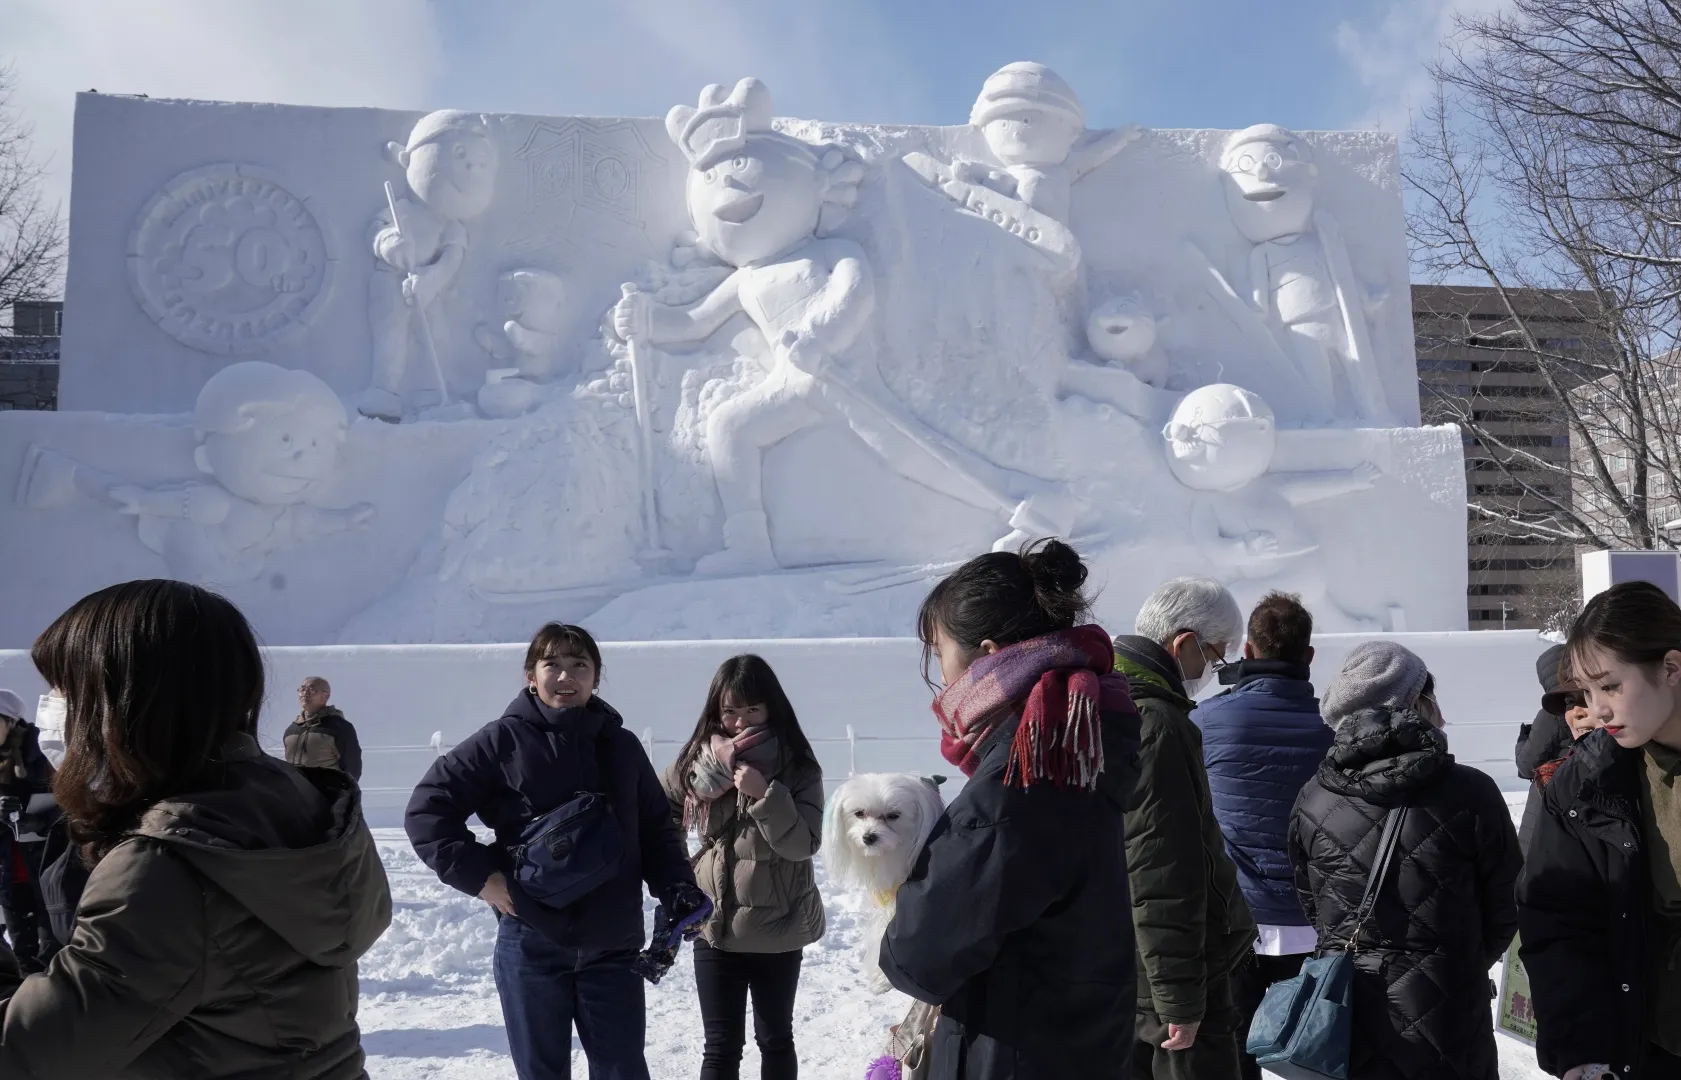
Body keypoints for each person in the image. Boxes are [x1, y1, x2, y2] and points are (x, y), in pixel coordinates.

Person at [0, 579, 392, 1077]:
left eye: (62, 691)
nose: (52, 713)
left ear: (127, 699)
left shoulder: (168, 867)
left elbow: (31, 1053)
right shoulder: (297, 800)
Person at [879, 539, 1142, 1079]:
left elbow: (920, 952)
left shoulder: (1031, 766)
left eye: (941, 652)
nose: (941, 676)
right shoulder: (1082, 735)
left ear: (990, 653)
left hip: (1014, 1055)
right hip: (1079, 1045)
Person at [406, 622, 704, 1080]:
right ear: (531, 675)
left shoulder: (620, 747)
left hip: (613, 944)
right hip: (532, 942)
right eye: (553, 665)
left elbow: (655, 829)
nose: (566, 676)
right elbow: (427, 811)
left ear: (595, 677)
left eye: (579, 665)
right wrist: (483, 878)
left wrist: (677, 887)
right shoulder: (501, 741)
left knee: (623, 1071)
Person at [1290, 641, 1520, 1080]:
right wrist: (1457, 962)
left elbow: (1312, 901)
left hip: (1344, 1008)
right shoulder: (1471, 791)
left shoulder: (1313, 797)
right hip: (1448, 1007)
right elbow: (1506, 905)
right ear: (1415, 703)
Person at [1520, 581, 1681, 1079]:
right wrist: (1583, 1051)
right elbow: (1560, 924)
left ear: (1671, 669)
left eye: (1610, 686)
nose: (1598, 708)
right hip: (1649, 1050)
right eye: (1587, 691)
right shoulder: (1583, 787)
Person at [1115, 577, 1258, 1080]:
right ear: (1183, 643)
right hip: (1175, 980)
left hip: (1131, 970)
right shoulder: (1156, 720)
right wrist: (1179, 998)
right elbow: (1161, 871)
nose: (1211, 672)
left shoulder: (1112, 699)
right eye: (1214, 658)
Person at [1190, 592, 1333, 1080]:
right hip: (1316, 918)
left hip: (1238, 918)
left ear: (1247, 651)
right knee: (1315, 1055)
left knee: (1234, 1054)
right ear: (1308, 656)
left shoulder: (1206, 721)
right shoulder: (1334, 727)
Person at [662, 655, 825, 1080]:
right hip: (714, 927)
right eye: (730, 711)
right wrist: (678, 870)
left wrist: (766, 794)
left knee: (775, 1039)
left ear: (772, 707)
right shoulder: (699, 763)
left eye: (751, 710)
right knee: (719, 1048)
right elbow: (660, 811)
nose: (739, 722)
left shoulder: (798, 766)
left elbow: (803, 844)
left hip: (780, 927)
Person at [1516, 646, 1598, 854]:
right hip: (1548, 812)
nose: (1578, 711)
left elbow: (1526, 764)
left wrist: (1522, 740)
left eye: (1588, 696)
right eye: (1570, 701)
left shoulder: (1549, 716)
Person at [0, 689, 59, 974]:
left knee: (54, 951)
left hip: (48, 868)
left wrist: (40, 820)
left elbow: (76, 805)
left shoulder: (44, 754)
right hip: (9, 873)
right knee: (22, 953)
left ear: (11, 721)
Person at [286, 676, 364, 782]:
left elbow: (352, 767)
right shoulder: (292, 730)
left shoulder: (339, 727)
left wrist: (344, 796)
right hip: (295, 795)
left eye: (312, 689)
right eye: (302, 689)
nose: (305, 693)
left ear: (326, 696)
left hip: (326, 795)